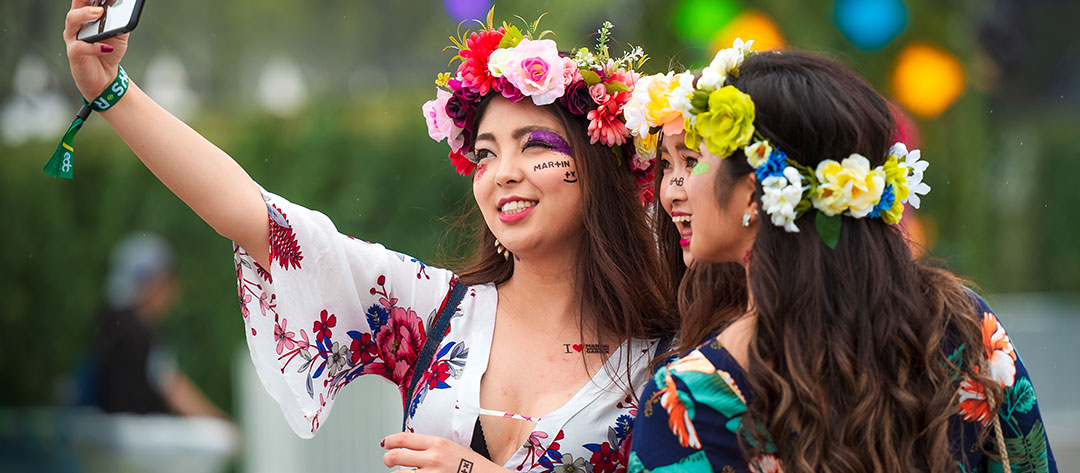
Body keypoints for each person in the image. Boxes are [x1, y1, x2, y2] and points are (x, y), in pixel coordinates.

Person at [62, 4, 674, 472]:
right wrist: (111, 92)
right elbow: (253, 216)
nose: (504, 173)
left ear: (600, 167)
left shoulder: (668, 357)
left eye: (535, 147)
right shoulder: (437, 307)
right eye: (485, 154)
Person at [627, 42, 1058, 472]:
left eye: (695, 160)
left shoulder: (690, 401)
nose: (673, 191)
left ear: (754, 194)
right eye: (670, 165)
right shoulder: (962, 324)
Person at [79, 232, 228, 418]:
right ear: (155, 284)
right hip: (129, 442)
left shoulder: (107, 323)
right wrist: (225, 429)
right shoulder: (138, 334)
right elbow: (173, 388)